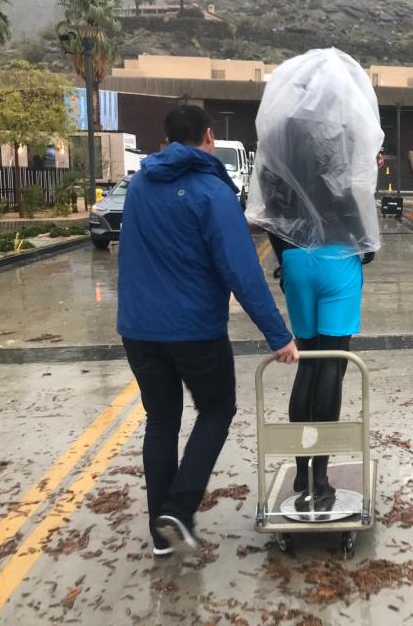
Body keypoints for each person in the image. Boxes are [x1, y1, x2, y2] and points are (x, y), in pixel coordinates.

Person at [117, 105, 299, 557]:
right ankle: (179, 509)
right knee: (217, 408)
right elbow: (242, 271)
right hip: (193, 329)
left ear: (167, 139)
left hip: (138, 329)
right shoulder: (211, 192)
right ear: (209, 137)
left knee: (160, 421)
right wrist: (279, 336)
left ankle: (161, 532)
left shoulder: (140, 183)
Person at [246, 48, 382, 509]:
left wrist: (286, 258)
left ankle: (300, 472)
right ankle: (323, 478)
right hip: (338, 257)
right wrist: (366, 245)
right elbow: (349, 197)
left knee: (306, 363)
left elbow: (269, 209)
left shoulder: (280, 136)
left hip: (297, 263)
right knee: (334, 367)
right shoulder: (340, 135)